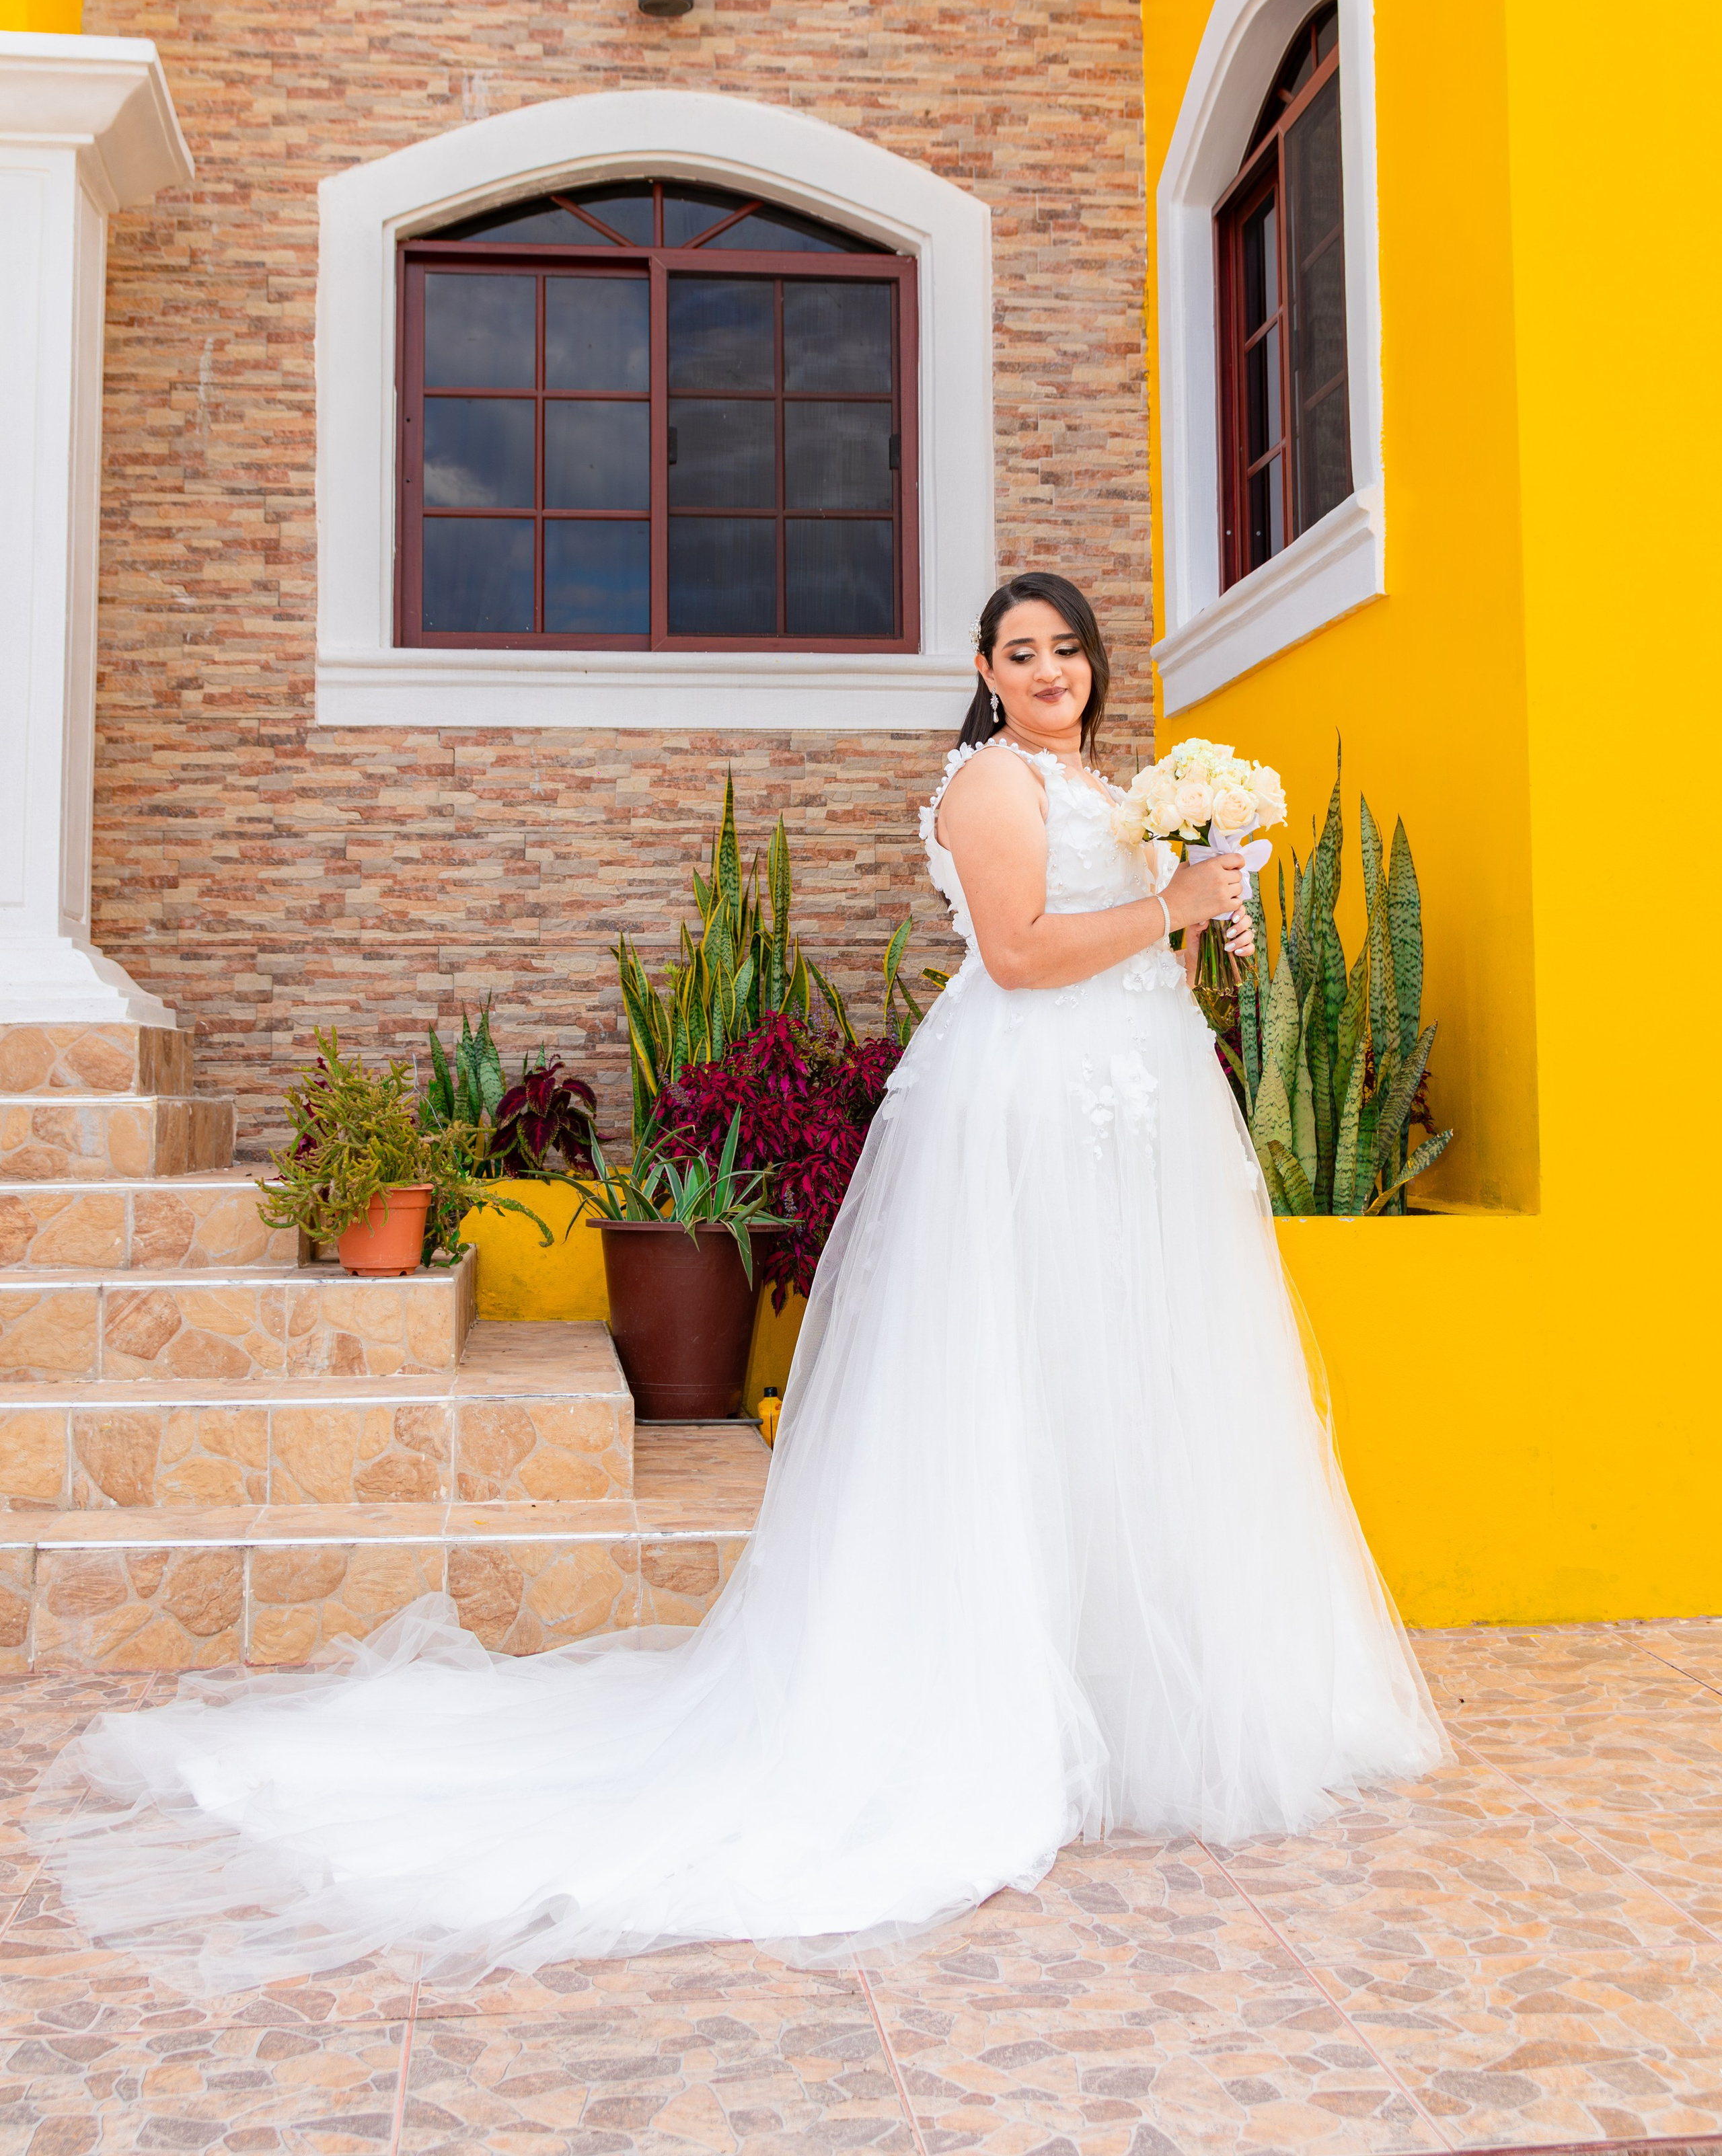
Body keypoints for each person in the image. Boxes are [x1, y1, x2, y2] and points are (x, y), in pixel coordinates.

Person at [35, 572, 1444, 1990]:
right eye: (1021, 654)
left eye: (1066, 652)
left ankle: (1128, 1702)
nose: (1048, 674)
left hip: (1128, 1111)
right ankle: (986, 1713)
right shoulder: (986, 789)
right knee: (1013, 1393)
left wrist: (1208, 915)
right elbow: (1017, 960)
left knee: (1126, 1392)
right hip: (1028, 1117)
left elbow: (1130, 951)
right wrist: (1171, 905)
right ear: (982, 666)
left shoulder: (1111, 787)